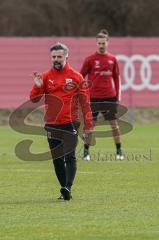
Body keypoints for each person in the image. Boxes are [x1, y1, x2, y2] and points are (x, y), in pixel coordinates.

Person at [30, 42, 92, 200]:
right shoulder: (45, 77)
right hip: (51, 124)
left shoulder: (76, 77)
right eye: (53, 57)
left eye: (59, 56)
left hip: (70, 123)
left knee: (69, 156)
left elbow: (85, 104)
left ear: (66, 57)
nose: (56, 59)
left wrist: (88, 128)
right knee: (57, 160)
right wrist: (37, 86)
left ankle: (67, 187)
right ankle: (65, 190)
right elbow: (33, 99)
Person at [80, 29, 124, 161]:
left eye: (103, 43)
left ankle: (119, 151)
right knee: (90, 126)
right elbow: (80, 77)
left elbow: (116, 78)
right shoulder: (90, 59)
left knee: (113, 125)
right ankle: (86, 153)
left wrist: (117, 95)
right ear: (96, 43)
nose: (101, 45)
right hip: (93, 97)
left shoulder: (112, 59)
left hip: (109, 97)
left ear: (107, 43)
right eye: (99, 43)